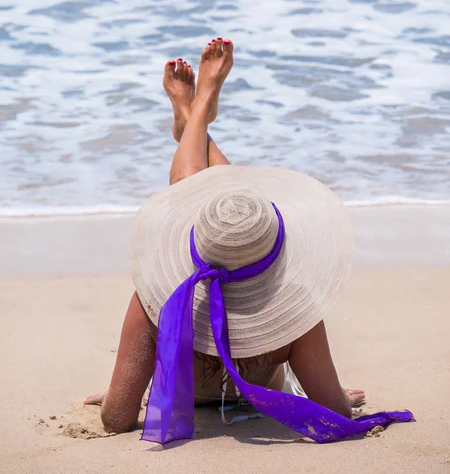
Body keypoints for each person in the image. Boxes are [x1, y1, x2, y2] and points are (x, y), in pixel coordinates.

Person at [85, 38, 411, 442]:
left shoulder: (156, 301)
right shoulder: (295, 304)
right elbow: (335, 414)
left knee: (210, 199)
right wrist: (334, 394)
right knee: (236, 207)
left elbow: (116, 419)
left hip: (183, 393)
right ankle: (196, 111)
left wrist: (126, 393)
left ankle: (193, 112)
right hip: (256, 395)